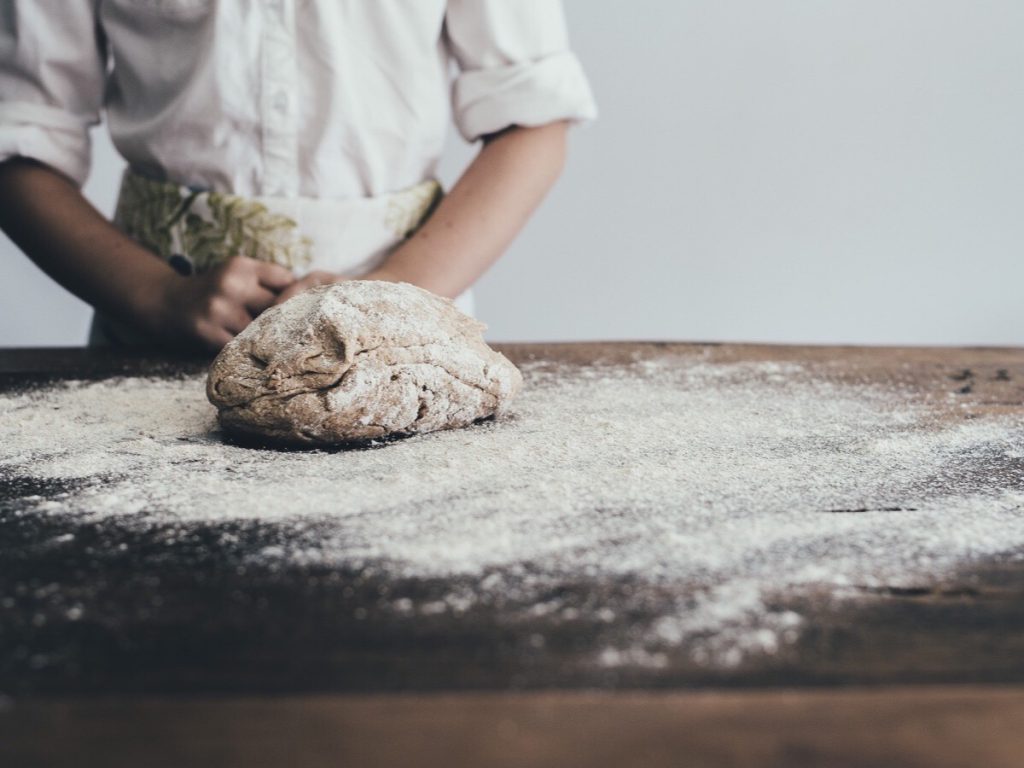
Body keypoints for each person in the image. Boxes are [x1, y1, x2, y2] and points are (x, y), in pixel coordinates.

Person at [0, 1, 596, 350]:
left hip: (404, 338)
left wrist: (386, 299)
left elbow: (533, 122)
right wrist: (156, 295)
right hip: (155, 335)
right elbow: (20, 139)